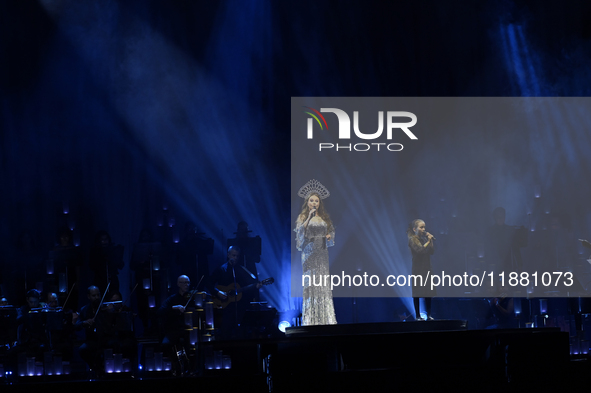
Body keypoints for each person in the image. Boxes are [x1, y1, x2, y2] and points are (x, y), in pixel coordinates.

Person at [294, 179, 337, 326]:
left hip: (322, 252)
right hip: (309, 252)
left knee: (322, 283)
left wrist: (329, 236)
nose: (314, 203)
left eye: (316, 201)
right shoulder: (302, 217)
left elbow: (331, 231)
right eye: (311, 200)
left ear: (320, 203)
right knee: (311, 283)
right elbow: (300, 234)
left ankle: (325, 319)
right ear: (307, 202)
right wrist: (309, 218)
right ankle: (311, 320)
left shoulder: (324, 217)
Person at [208, 247, 262, 339]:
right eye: (233, 255)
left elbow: (250, 284)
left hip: (240, 306)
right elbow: (209, 283)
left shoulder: (242, 269)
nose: (235, 258)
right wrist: (218, 292)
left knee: (241, 333)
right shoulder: (221, 269)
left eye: (237, 256)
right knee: (226, 332)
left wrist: (256, 286)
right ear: (228, 255)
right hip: (226, 306)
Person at [407, 219, 435, 321]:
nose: (423, 229)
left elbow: (431, 251)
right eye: (421, 227)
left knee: (428, 293)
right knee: (417, 293)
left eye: (424, 227)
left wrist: (430, 241)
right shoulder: (412, 240)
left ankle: (429, 315)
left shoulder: (423, 240)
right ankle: (418, 316)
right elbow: (420, 251)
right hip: (418, 269)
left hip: (427, 269)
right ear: (415, 229)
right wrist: (428, 241)